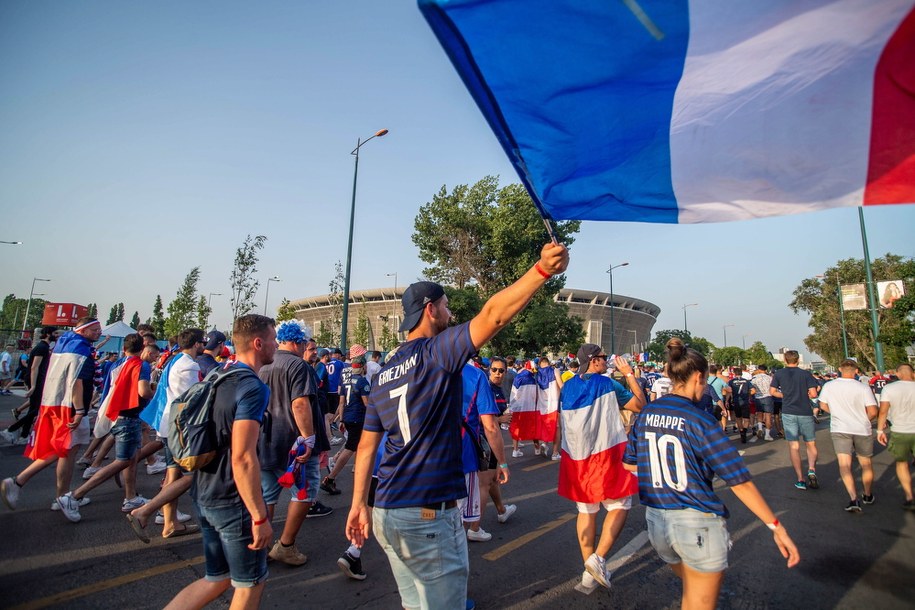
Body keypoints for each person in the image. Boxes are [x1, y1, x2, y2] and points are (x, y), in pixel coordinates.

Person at [345, 242, 569, 610]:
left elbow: (367, 448)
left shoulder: (384, 374)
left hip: (387, 509)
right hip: (428, 512)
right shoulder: (436, 353)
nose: (451, 314)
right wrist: (541, 270)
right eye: (447, 306)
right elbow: (494, 316)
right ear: (430, 310)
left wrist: (358, 504)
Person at [623, 339, 799, 609]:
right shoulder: (701, 420)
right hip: (696, 520)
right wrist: (775, 526)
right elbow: (738, 481)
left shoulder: (647, 414)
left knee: (690, 595)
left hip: (657, 521)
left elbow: (630, 464)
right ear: (698, 377)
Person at [164, 314, 275, 610]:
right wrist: (259, 516)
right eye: (273, 339)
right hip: (232, 499)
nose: (276, 345)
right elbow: (243, 457)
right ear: (258, 342)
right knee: (250, 584)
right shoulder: (252, 387)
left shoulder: (218, 376)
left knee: (217, 578)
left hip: (204, 491)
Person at [558, 344, 644, 590]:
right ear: (594, 361)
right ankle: (598, 558)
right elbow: (640, 405)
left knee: (586, 511)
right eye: (604, 357)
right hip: (606, 455)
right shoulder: (608, 384)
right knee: (620, 505)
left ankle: (588, 568)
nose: (607, 360)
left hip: (577, 457)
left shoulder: (568, 387)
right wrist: (629, 374)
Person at [1, 318, 101, 512]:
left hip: (57, 403)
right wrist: (80, 410)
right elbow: (76, 381)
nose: (99, 333)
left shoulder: (65, 345)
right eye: (95, 330)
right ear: (83, 330)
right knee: (64, 450)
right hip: (70, 408)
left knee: (65, 451)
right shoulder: (81, 351)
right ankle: (22, 483)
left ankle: (60, 495)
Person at [56, 333, 154, 521]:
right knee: (123, 461)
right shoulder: (142, 365)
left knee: (131, 459)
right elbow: (143, 391)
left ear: (124, 348)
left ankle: (131, 497)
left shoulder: (118, 364)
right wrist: (153, 392)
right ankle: (75, 495)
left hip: (116, 413)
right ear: (143, 348)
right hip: (129, 415)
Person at [257, 320, 323, 567]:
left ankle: (260, 547)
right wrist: (308, 437)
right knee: (304, 492)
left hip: (266, 439)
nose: (308, 347)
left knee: (267, 494)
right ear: (297, 341)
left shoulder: (265, 364)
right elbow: (299, 403)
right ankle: (286, 545)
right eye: (306, 343)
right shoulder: (298, 365)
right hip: (293, 443)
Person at [817, 359, 878, 512]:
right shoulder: (863, 388)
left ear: (839, 369)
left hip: (840, 428)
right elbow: (873, 411)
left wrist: (837, 414)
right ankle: (868, 494)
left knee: (844, 465)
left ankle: (853, 498)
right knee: (866, 464)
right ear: (856, 371)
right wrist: (864, 420)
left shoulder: (830, 386)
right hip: (862, 428)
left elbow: (822, 405)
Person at [770, 351, 820, 490]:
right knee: (810, 443)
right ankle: (811, 469)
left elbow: (772, 391)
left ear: (785, 360)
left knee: (794, 446)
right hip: (805, 411)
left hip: (788, 412)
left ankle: (800, 478)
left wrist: (784, 395)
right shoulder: (806, 374)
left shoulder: (779, 374)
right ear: (798, 360)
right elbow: (814, 393)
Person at [2, 327, 56, 444]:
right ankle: (11, 430)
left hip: (38, 380)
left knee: (33, 409)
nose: (57, 336)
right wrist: (33, 386)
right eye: (55, 333)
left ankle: (24, 435)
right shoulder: (42, 348)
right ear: (48, 334)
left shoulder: (45, 347)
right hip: (36, 381)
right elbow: (34, 367)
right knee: (36, 409)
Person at [877, 363, 915, 510]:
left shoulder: (889, 388)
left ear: (898, 374)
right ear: (912, 373)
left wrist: (880, 431)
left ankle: (909, 496)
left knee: (902, 462)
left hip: (900, 430)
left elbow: (883, 411)